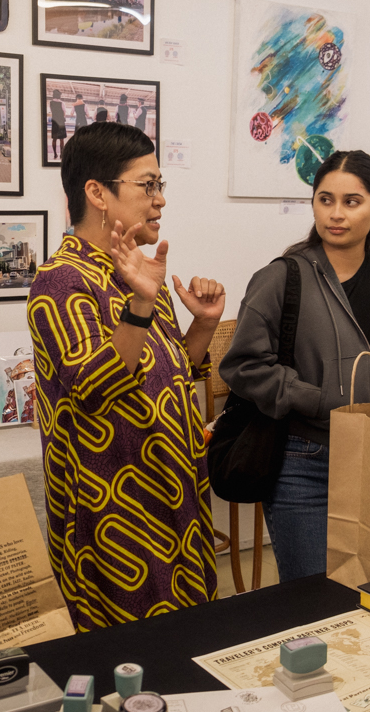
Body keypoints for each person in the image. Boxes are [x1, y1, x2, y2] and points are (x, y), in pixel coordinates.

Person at [26, 121, 223, 631]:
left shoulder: (130, 268)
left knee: (187, 649)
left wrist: (203, 325)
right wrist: (140, 303)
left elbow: (169, 369)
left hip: (173, 497)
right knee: (128, 668)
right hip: (112, 514)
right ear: (97, 193)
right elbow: (94, 385)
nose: (159, 201)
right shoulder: (61, 280)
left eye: (161, 186)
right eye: (147, 185)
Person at [220, 150, 370, 582]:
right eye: (325, 200)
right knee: (312, 597)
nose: (336, 214)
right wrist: (317, 400)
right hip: (305, 461)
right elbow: (243, 364)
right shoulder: (283, 276)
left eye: (352, 202)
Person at [49, 89, 67, 159]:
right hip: (61, 122)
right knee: (61, 139)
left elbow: (51, 111)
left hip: (54, 122)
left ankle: (55, 154)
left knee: (54, 139)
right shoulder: (62, 103)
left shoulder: (51, 103)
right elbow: (64, 112)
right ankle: (61, 154)